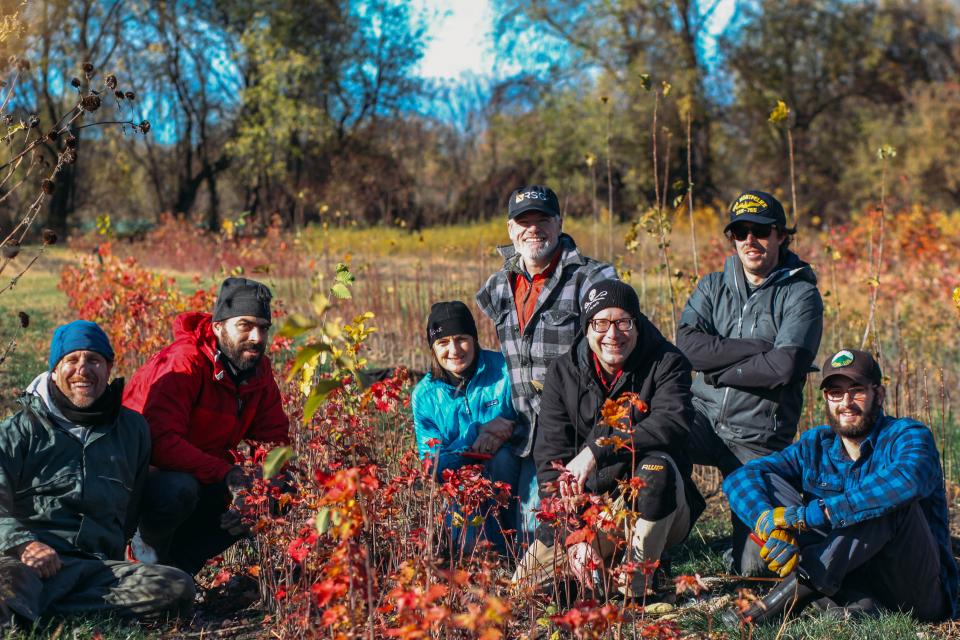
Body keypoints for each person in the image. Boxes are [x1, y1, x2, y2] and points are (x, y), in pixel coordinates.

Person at [723, 349, 958, 625]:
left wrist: (808, 515)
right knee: (764, 480)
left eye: (856, 390)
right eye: (836, 392)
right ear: (826, 398)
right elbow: (740, 477)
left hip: (914, 588)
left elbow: (908, 479)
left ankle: (769, 609)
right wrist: (769, 523)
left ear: (879, 395)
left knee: (885, 503)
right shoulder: (815, 445)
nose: (846, 402)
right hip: (847, 576)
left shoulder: (907, 435)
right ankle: (860, 605)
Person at [512, 280, 705, 599]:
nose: (612, 334)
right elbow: (550, 464)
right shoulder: (562, 374)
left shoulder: (667, 363)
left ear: (638, 324)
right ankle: (598, 572)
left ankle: (637, 587)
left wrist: (595, 451)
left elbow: (672, 423)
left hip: (658, 503)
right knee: (524, 592)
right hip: (590, 510)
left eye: (623, 322)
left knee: (658, 470)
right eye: (600, 323)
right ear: (586, 328)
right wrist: (576, 537)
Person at [0, 321, 194, 624]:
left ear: (108, 367)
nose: (83, 369)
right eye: (72, 360)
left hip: (97, 570)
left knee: (176, 587)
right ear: (54, 369)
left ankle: (37, 612)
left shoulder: (133, 430)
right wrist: (24, 544)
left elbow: (131, 509)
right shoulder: (18, 430)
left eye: (94, 360)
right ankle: (38, 608)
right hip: (28, 563)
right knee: (6, 581)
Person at [676, 190, 823, 574]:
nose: (750, 240)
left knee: (757, 568)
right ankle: (685, 509)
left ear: (780, 236)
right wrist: (753, 348)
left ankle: (741, 542)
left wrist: (721, 370)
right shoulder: (712, 286)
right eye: (741, 232)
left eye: (760, 230)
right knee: (647, 445)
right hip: (701, 418)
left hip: (757, 436)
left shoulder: (801, 293)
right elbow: (688, 347)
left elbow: (784, 367)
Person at [477, 185, 617, 544]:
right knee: (511, 528)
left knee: (551, 534)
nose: (533, 229)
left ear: (559, 223)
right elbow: (509, 361)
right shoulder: (498, 286)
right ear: (510, 229)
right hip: (526, 433)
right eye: (524, 221)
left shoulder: (593, 279)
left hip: (576, 434)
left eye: (543, 219)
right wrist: (503, 416)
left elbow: (620, 352)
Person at [124, 277, 290, 574]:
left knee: (278, 493)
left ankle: (179, 571)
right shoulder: (183, 363)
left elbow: (274, 440)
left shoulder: (257, 372)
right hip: (137, 479)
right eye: (245, 325)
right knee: (178, 489)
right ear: (218, 327)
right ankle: (140, 563)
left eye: (263, 328)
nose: (257, 337)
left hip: (202, 471)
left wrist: (259, 492)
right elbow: (159, 442)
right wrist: (228, 474)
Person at [411, 301, 522, 554]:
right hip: (463, 487)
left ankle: (516, 549)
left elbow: (532, 425)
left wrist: (509, 430)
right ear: (432, 347)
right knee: (473, 549)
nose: (453, 350)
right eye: (443, 342)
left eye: (461, 339)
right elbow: (431, 464)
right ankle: (493, 558)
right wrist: (475, 436)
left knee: (502, 459)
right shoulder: (424, 395)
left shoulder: (505, 371)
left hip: (511, 480)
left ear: (474, 339)